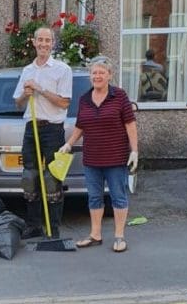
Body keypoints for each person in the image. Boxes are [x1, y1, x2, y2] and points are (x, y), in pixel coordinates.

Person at [59, 56, 138, 252]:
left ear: (109, 75)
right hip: (92, 158)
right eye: (94, 73)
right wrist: (68, 144)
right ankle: (95, 235)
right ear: (90, 76)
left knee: (118, 197)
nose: (97, 76)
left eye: (102, 72)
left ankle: (119, 237)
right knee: (94, 197)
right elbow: (80, 126)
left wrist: (135, 150)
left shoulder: (119, 96)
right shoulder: (84, 99)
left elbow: (130, 124)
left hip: (115, 157)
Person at [12, 27, 73, 239]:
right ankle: (34, 225)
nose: (44, 44)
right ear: (34, 42)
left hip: (53, 129)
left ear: (53, 43)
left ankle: (53, 228)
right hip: (32, 127)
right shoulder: (27, 70)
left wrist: (40, 89)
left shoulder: (62, 70)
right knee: (30, 177)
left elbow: (64, 103)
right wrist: (24, 95)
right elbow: (18, 104)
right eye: (40, 40)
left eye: (48, 40)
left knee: (52, 179)